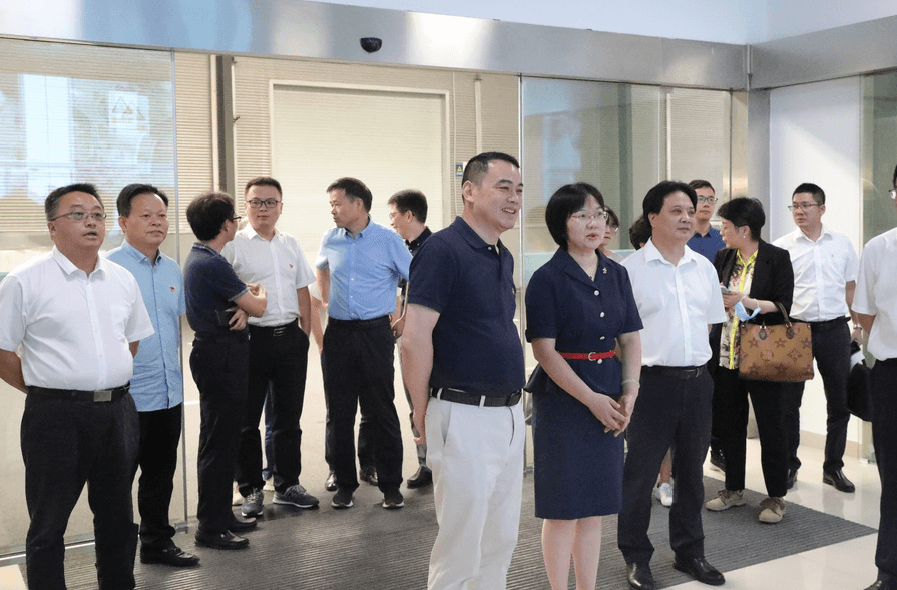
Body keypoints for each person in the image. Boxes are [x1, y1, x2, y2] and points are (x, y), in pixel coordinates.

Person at [0, 183, 154, 589]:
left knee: (118, 516)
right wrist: (46, 389)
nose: (91, 222)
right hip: (55, 417)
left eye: (98, 214)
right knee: (49, 522)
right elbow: (2, 350)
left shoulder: (121, 279)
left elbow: (131, 341)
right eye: (78, 214)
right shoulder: (24, 281)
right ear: (53, 227)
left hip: (118, 412)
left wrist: (101, 379)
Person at [401, 151, 526, 589]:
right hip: (463, 413)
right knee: (461, 544)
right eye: (503, 187)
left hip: (509, 413)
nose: (514, 198)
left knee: (500, 540)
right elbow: (414, 338)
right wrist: (420, 409)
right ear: (469, 191)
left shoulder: (501, 254)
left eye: (519, 189)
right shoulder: (442, 250)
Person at [525, 182, 642, 590]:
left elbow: (630, 338)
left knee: (594, 508)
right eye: (582, 216)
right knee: (563, 509)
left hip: (610, 389)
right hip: (564, 398)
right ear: (562, 224)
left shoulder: (617, 273)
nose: (594, 223)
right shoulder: (546, 278)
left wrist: (630, 389)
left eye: (599, 214)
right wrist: (592, 399)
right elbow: (544, 351)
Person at [617, 181, 727, 590]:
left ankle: (689, 551)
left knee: (692, 475)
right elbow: (620, 338)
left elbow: (709, 323)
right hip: (649, 384)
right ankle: (635, 556)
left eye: (690, 211)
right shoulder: (629, 271)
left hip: (698, 382)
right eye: (676, 211)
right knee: (640, 475)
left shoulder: (704, 268)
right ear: (652, 217)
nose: (686, 218)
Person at [106, 184, 198, 568]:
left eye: (161, 215)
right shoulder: (108, 270)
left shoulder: (173, 268)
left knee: (160, 477)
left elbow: (181, 321)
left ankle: (157, 543)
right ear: (123, 221)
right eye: (146, 216)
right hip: (124, 397)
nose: (157, 223)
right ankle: (114, 560)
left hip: (168, 392)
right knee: (116, 483)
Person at [221, 177, 319, 517]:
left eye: (270, 202)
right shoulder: (233, 245)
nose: (263, 208)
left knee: (288, 419)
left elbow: (303, 289)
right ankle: (249, 488)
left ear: (281, 206)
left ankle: (287, 484)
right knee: (247, 421)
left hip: (290, 339)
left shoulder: (290, 243)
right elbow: (221, 289)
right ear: (246, 206)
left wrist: (304, 334)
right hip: (251, 341)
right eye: (256, 202)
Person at [315, 177, 411, 510]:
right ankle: (344, 484)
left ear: (358, 204)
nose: (332, 210)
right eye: (330, 204)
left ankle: (391, 485)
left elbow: (415, 277)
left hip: (375, 334)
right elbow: (321, 268)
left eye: (337, 203)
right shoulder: (330, 238)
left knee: (381, 409)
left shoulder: (388, 240)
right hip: (339, 333)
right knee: (339, 412)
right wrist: (326, 300)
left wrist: (405, 316)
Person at [184, 192, 268, 550]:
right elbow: (259, 306)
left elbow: (240, 304)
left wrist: (245, 306)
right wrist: (259, 295)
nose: (237, 223)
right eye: (234, 218)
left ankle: (219, 515)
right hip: (221, 357)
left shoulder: (203, 258)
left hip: (218, 353)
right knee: (219, 443)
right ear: (225, 226)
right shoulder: (213, 264)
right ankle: (211, 526)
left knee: (222, 439)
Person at [705, 197, 794, 524]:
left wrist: (748, 301)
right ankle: (733, 489)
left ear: (745, 229)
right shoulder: (723, 256)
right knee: (730, 424)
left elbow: (784, 305)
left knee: (772, 425)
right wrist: (721, 301)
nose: (722, 232)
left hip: (763, 353)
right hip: (727, 352)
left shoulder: (777, 258)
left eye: (726, 226)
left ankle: (776, 497)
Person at [773, 182, 860, 492]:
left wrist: (858, 326)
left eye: (805, 205)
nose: (799, 211)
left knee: (840, 402)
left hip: (835, 329)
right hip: (796, 330)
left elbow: (851, 287)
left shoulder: (842, 244)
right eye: (794, 206)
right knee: (789, 403)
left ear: (821, 209)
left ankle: (833, 467)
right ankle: (789, 465)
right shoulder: (782, 247)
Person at [852, 167, 897, 590]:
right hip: (891, 375)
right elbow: (864, 313)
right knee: (894, 477)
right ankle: (890, 571)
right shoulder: (879, 248)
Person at [387, 188, 434, 489]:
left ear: (408, 215)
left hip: (431, 339)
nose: (391, 221)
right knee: (414, 399)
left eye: (393, 215)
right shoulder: (403, 248)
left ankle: (439, 460)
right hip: (408, 337)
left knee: (433, 399)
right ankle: (425, 462)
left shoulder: (435, 249)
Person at [686, 179, 726, 261]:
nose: (706, 204)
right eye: (700, 199)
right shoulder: (678, 238)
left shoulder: (724, 239)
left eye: (711, 199)